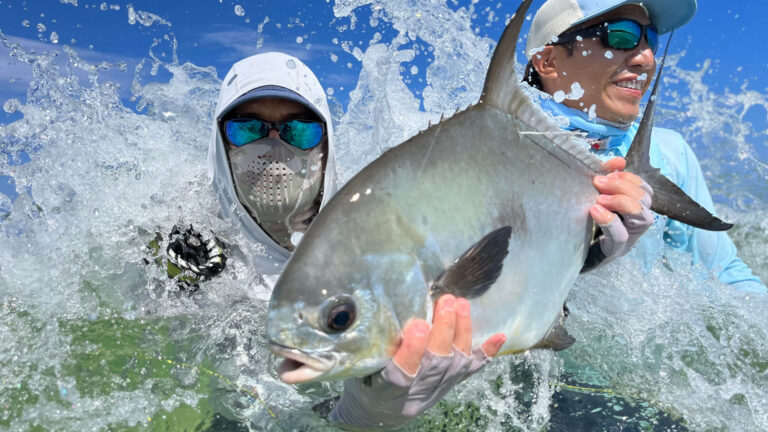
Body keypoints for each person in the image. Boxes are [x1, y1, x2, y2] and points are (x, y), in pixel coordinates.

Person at [522, 0, 765, 293]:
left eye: (651, 39)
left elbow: (725, 274)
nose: (647, 59)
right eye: (621, 36)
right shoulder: (502, 150)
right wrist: (589, 261)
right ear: (548, 61)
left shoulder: (671, 152)